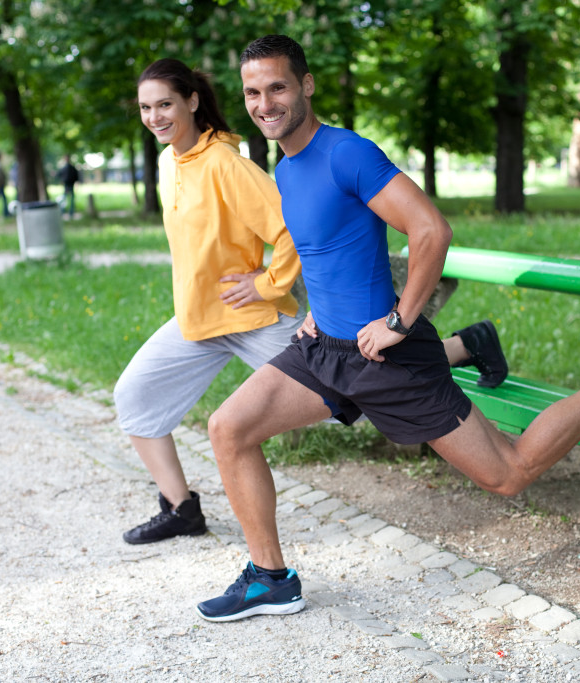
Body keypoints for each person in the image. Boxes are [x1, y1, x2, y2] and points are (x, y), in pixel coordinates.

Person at [194, 34, 580, 623]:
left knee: (509, 472)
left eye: (277, 87)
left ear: (306, 86)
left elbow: (430, 230)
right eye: (253, 92)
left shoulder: (347, 153)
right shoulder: (286, 165)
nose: (265, 103)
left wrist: (400, 322)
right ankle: (271, 579)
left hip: (386, 358)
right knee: (229, 429)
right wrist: (318, 311)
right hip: (324, 351)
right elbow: (326, 246)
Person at [115, 58, 504, 549]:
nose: (155, 116)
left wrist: (267, 284)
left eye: (165, 104)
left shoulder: (229, 164)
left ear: (192, 101)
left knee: (357, 395)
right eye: (147, 108)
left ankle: (463, 346)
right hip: (198, 317)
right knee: (136, 397)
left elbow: (296, 229)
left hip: (255, 316)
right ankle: (180, 507)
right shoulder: (169, 160)